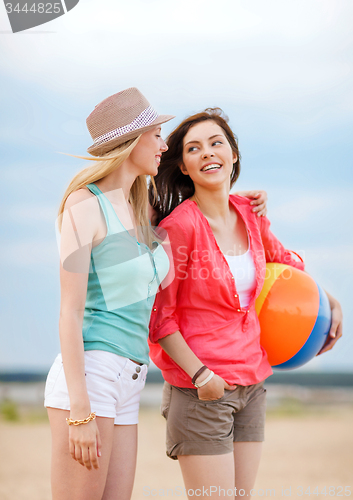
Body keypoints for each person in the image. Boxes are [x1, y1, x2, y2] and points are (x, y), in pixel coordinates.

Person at [44, 89, 268, 500]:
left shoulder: (144, 209)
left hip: (132, 376)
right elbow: (70, 313)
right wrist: (80, 410)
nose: (165, 147)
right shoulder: (84, 205)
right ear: (130, 141)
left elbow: (206, 213)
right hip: (91, 373)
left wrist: (250, 202)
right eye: (158, 135)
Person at [148, 108, 343, 500]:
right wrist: (203, 377)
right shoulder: (178, 229)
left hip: (252, 383)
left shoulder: (250, 215)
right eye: (194, 148)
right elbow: (160, 319)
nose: (207, 153)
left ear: (233, 154)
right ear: (183, 167)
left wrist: (331, 302)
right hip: (201, 388)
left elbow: (287, 266)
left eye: (216, 142)